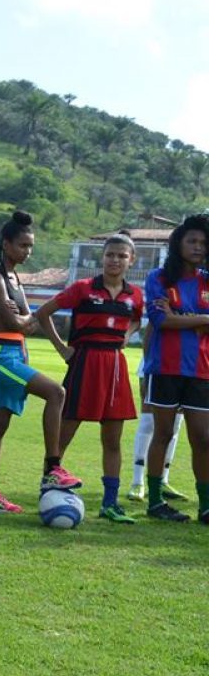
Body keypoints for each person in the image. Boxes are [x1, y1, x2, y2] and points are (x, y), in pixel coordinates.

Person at [0, 211, 82, 514]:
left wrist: (27, 320)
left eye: (30, 246)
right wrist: (26, 319)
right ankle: (53, 467)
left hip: (17, 352)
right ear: (6, 244)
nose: (27, 251)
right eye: (23, 245)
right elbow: (17, 322)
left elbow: (29, 322)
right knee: (56, 392)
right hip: (1, 354)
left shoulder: (16, 280)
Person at [35, 234, 142, 523]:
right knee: (63, 435)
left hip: (115, 368)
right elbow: (44, 314)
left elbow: (136, 319)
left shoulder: (135, 295)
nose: (115, 260)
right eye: (110, 255)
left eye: (122, 256)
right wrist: (62, 350)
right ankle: (48, 487)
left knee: (113, 439)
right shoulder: (82, 288)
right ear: (102, 257)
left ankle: (110, 503)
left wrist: (127, 336)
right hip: (84, 363)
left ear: (131, 260)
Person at [138, 215, 209, 523]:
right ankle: (155, 502)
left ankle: (206, 506)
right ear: (178, 243)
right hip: (165, 367)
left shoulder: (207, 280)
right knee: (163, 432)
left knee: (204, 438)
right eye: (192, 241)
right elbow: (161, 321)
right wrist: (203, 319)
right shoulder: (159, 278)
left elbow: (173, 318)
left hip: (202, 370)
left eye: (203, 243)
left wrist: (181, 315)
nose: (198, 247)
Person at [128, 325, 188, 502]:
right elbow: (152, 328)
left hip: (190, 367)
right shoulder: (170, 297)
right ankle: (137, 481)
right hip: (157, 363)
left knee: (175, 425)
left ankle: (163, 479)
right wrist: (147, 366)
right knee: (148, 422)